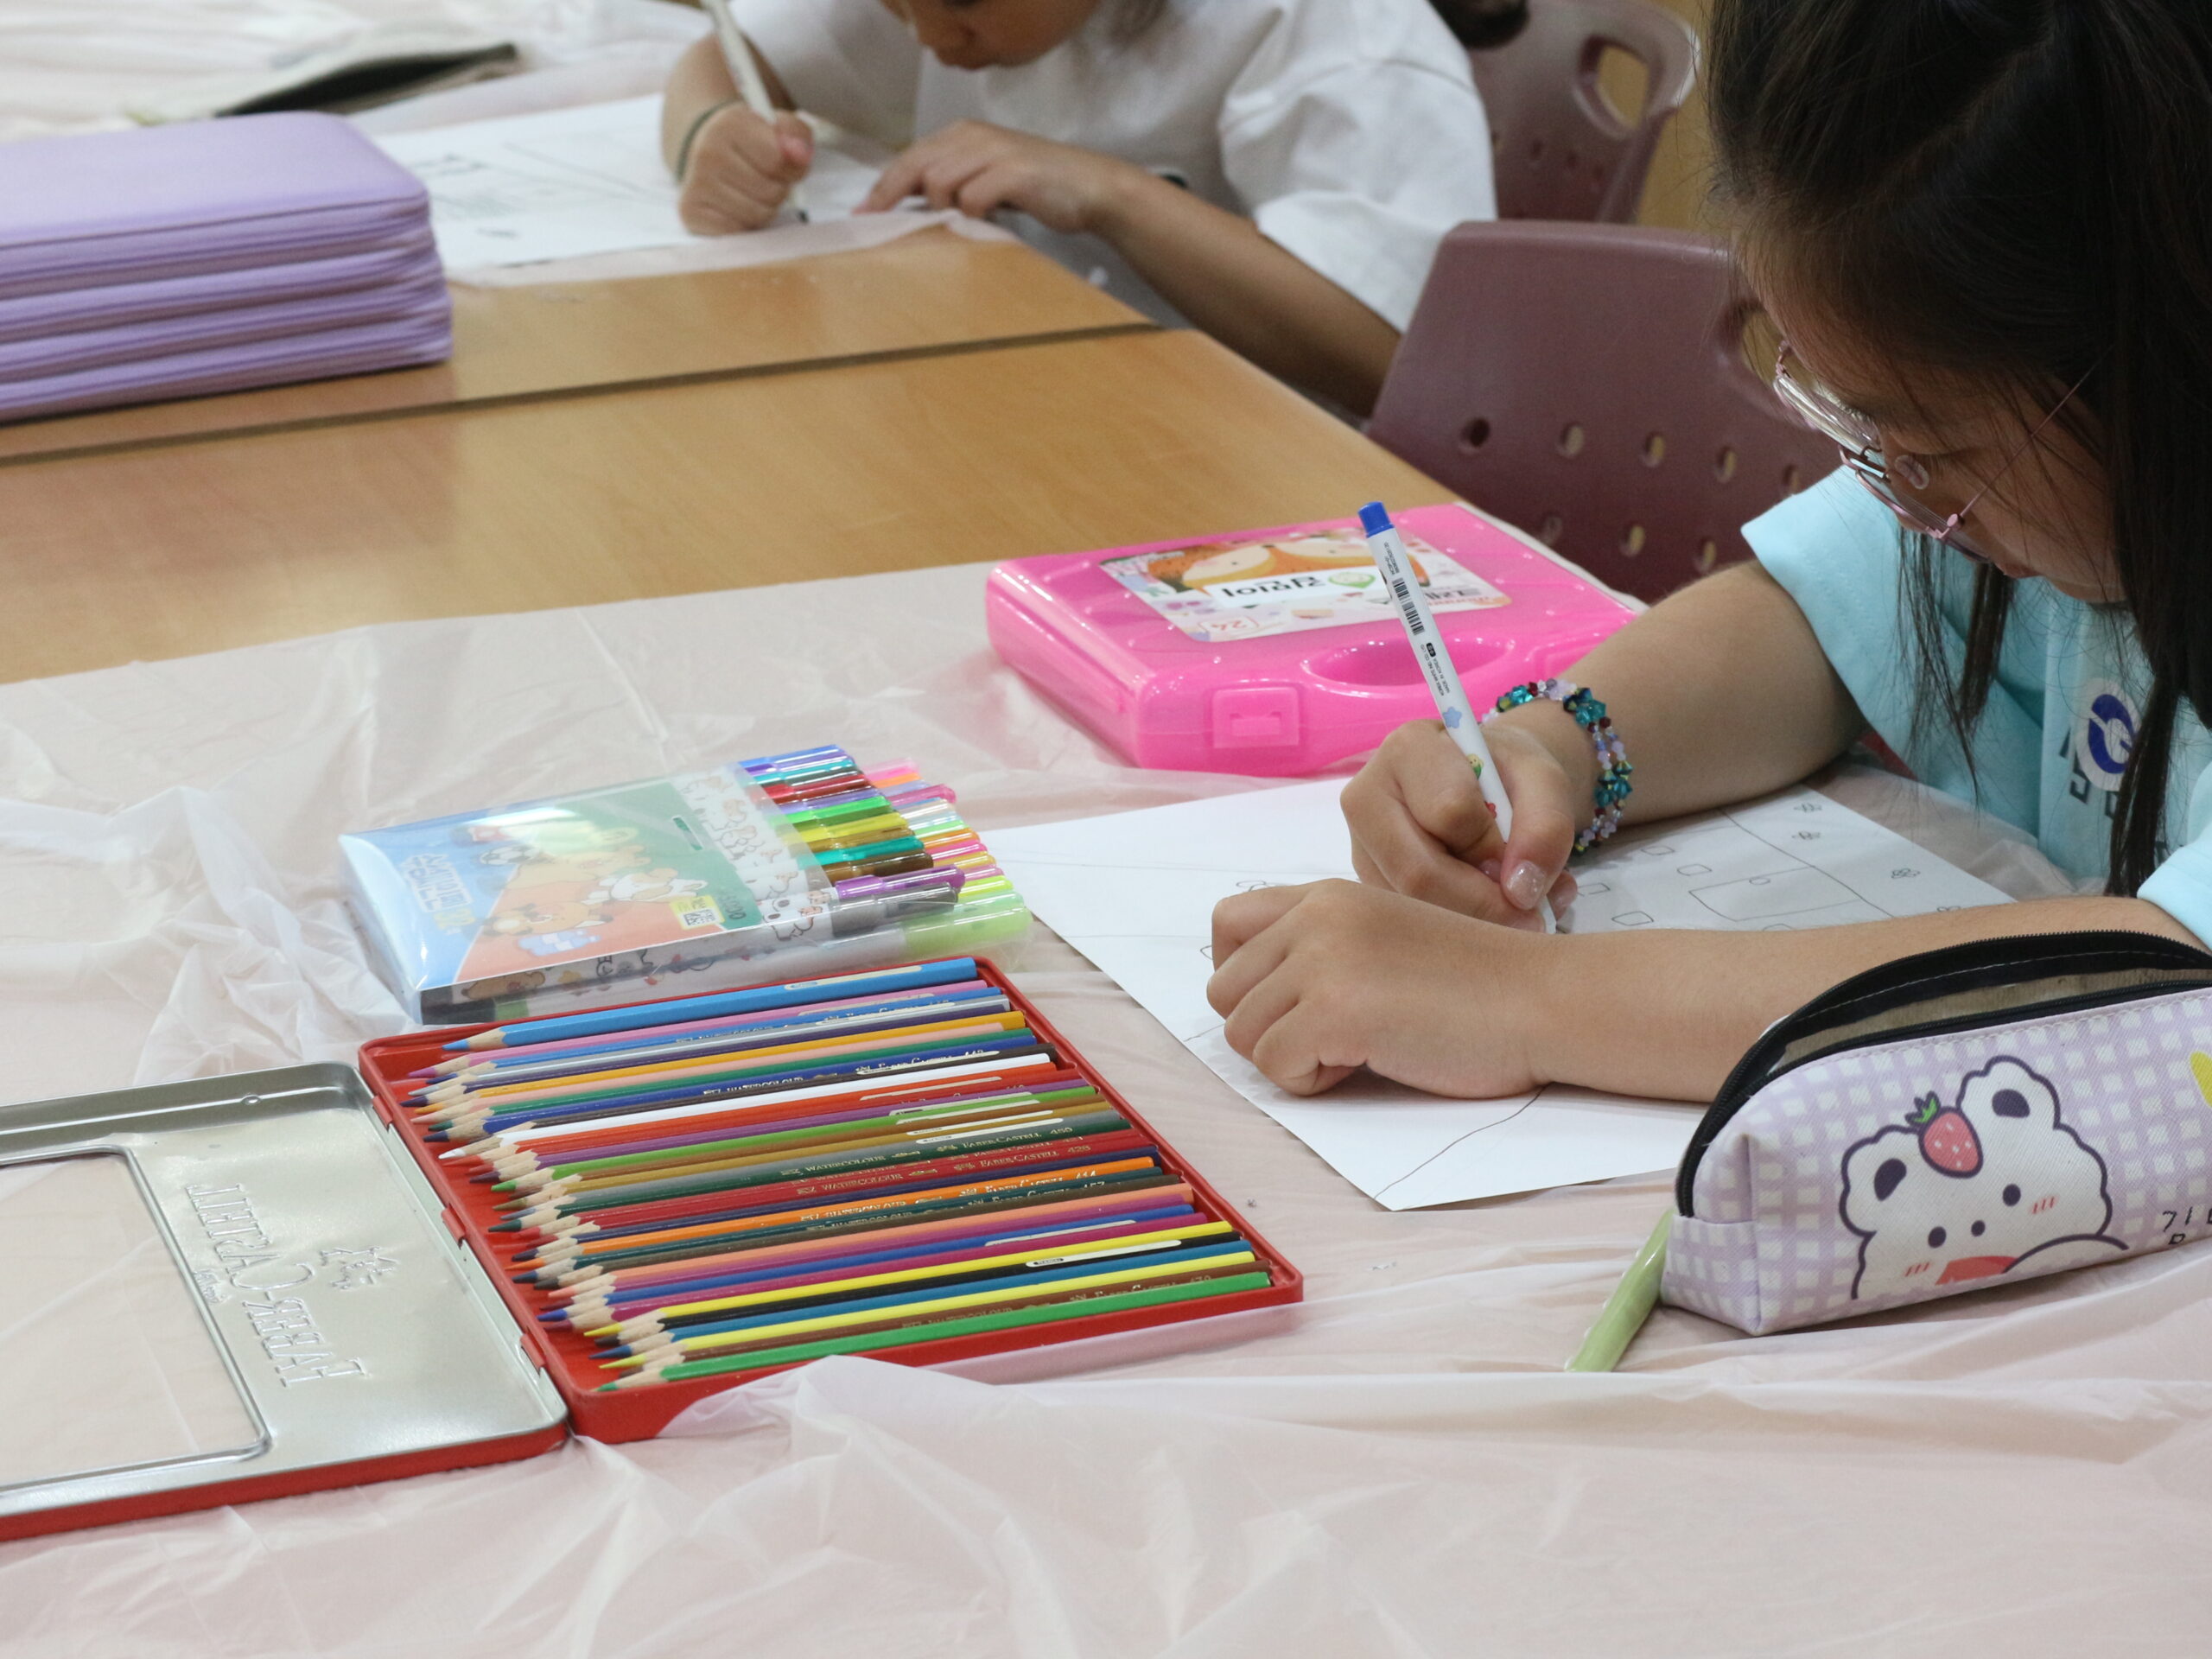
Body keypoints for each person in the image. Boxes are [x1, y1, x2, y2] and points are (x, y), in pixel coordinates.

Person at [1208, 0, 2212, 1103]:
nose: (1906, 496)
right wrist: (1553, 752)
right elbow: (1816, 621)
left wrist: (1517, 1000)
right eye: (1857, 429)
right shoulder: (2051, 476)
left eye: (1934, 452)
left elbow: (2160, 980)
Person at [658, 0, 1496, 414]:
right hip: (1036, 407)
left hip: (1267, 484)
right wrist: (711, 133)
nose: (927, 36)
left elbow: (1403, 366)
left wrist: (1112, 194)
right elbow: (723, 57)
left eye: (960, 1)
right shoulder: (947, 11)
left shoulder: (1340, 38)